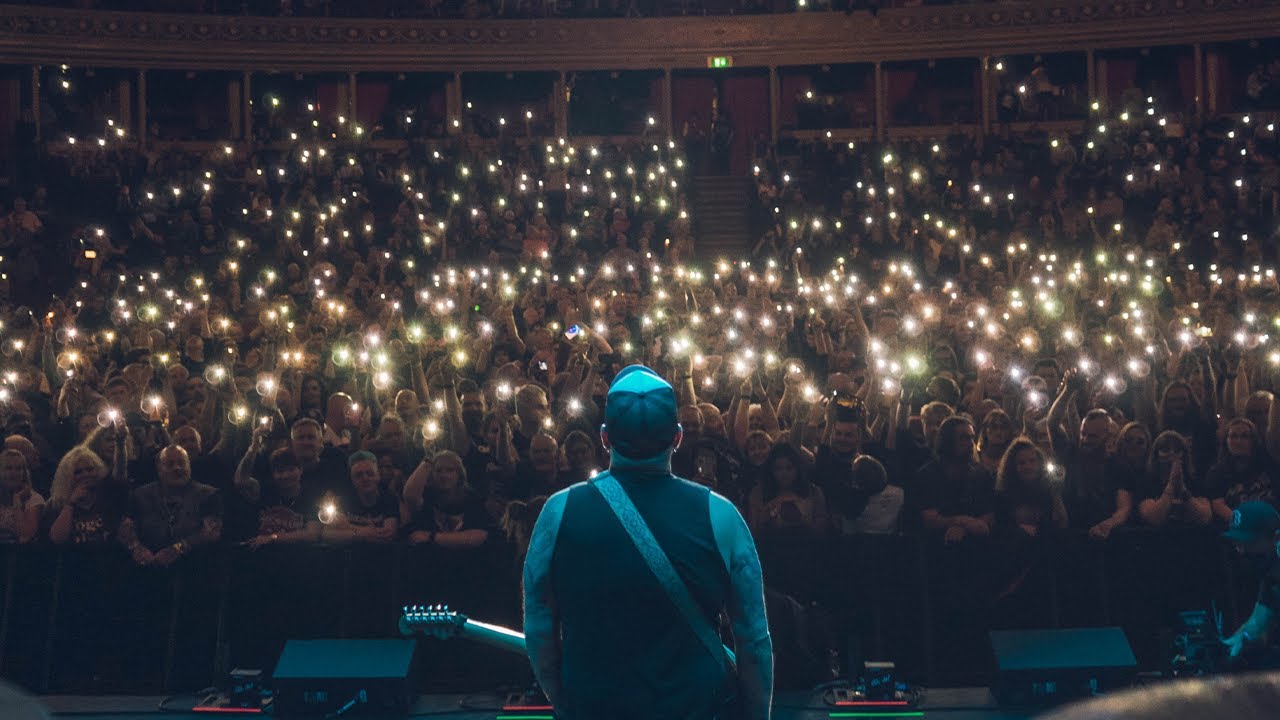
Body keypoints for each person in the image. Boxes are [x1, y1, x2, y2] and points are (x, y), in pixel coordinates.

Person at [524, 365, 773, 720]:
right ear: (677, 436)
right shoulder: (722, 516)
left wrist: (563, 699)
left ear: (605, 437)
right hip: (696, 706)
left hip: (596, 705)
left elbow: (538, 626)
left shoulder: (558, 511)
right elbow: (754, 639)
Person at [1221, 501, 1280, 662]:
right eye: (1237, 544)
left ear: (1276, 538)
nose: (1241, 550)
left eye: (1248, 542)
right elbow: (1256, 624)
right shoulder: (1271, 574)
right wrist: (1233, 644)